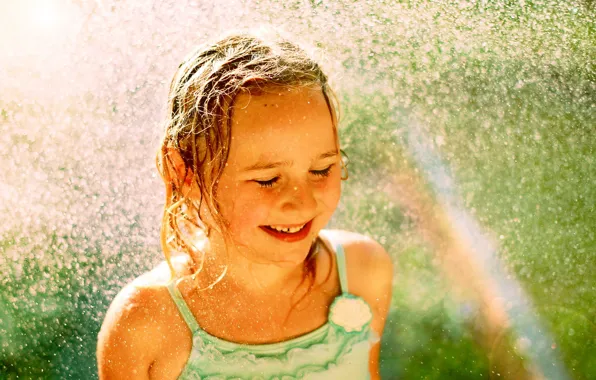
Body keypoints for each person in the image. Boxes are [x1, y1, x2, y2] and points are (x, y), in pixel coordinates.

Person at [97, 31, 393, 380]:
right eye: (268, 179)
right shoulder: (147, 322)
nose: (302, 201)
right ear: (185, 172)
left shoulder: (363, 273)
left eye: (321, 169)